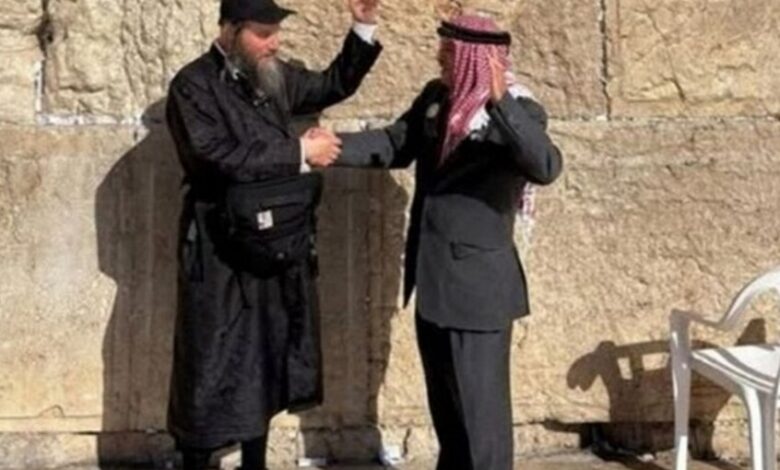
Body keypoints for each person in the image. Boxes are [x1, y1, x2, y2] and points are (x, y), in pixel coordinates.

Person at [322, 13, 563, 470]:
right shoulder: (438, 99)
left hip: (476, 291)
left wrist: (500, 102)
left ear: (477, 59)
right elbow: (394, 143)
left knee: (481, 422)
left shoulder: (518, 112)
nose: (440, 59)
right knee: (450, 415)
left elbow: (545, 166)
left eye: (449, 52)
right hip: (433, 284)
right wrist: (330, 147)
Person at [164, 0, 382, 468]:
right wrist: (298, 153)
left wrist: (362, 27)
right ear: (230, 30)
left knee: (264, 359)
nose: (274, 43)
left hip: (271, 246)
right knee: (210, 363)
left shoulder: (272, 76)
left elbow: (330, 85)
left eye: (276, 32)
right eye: (263, 33)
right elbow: (213, 157)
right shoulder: (192, 85)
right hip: (219, 251)